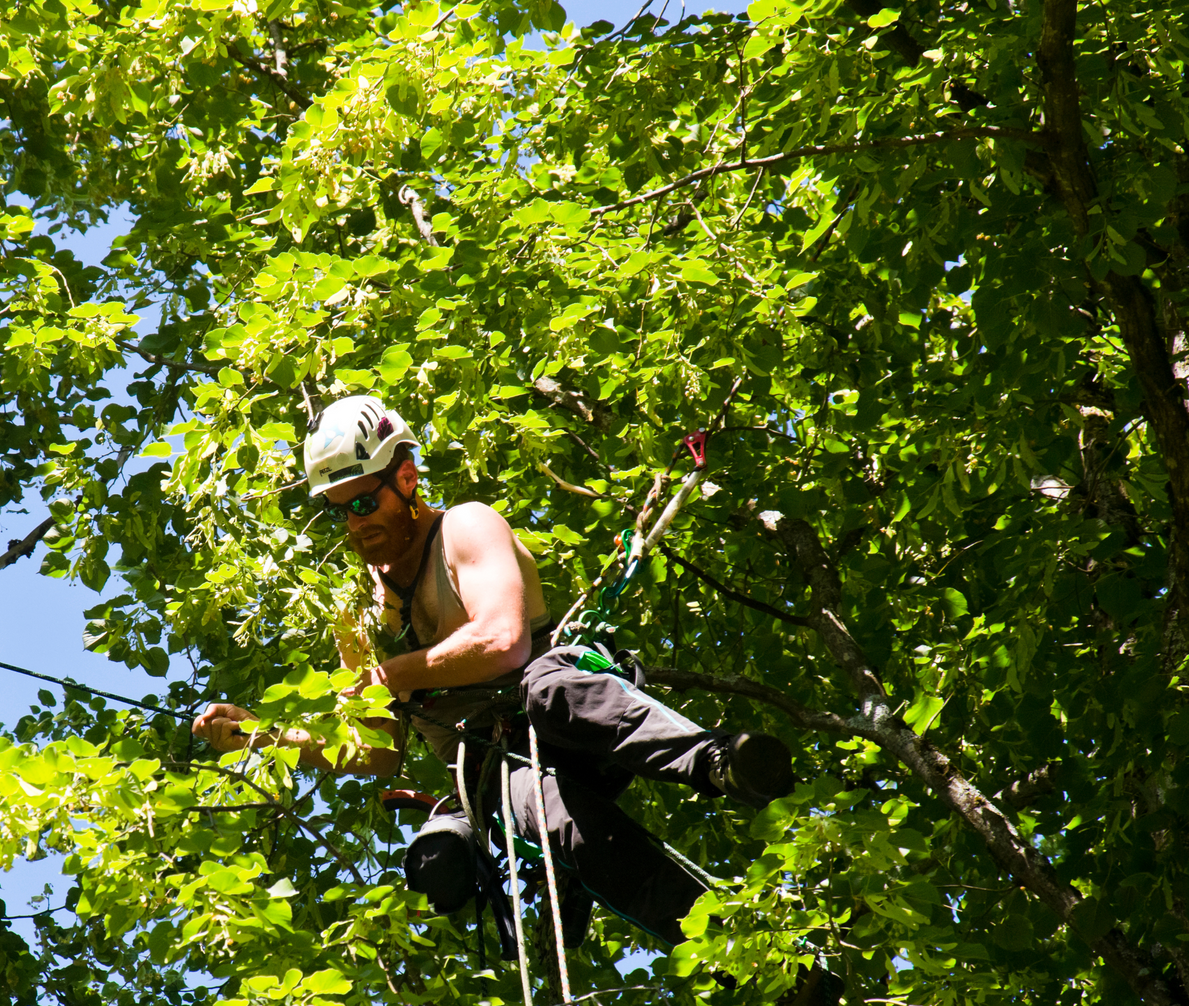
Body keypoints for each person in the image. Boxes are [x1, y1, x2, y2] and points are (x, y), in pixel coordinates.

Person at [191, 395, 794, 950]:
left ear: (406, 481)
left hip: (571, 708)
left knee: (545, 690)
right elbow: (375, 752)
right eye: (338, 513)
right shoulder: (355, 612)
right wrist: (262, 737)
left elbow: (504, 644)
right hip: (493, 765)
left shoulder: (464, 527)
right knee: (564, 831)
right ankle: (733, 951)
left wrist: (387, 676)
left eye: (365, 502)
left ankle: (717, 761)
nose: (354, 523)